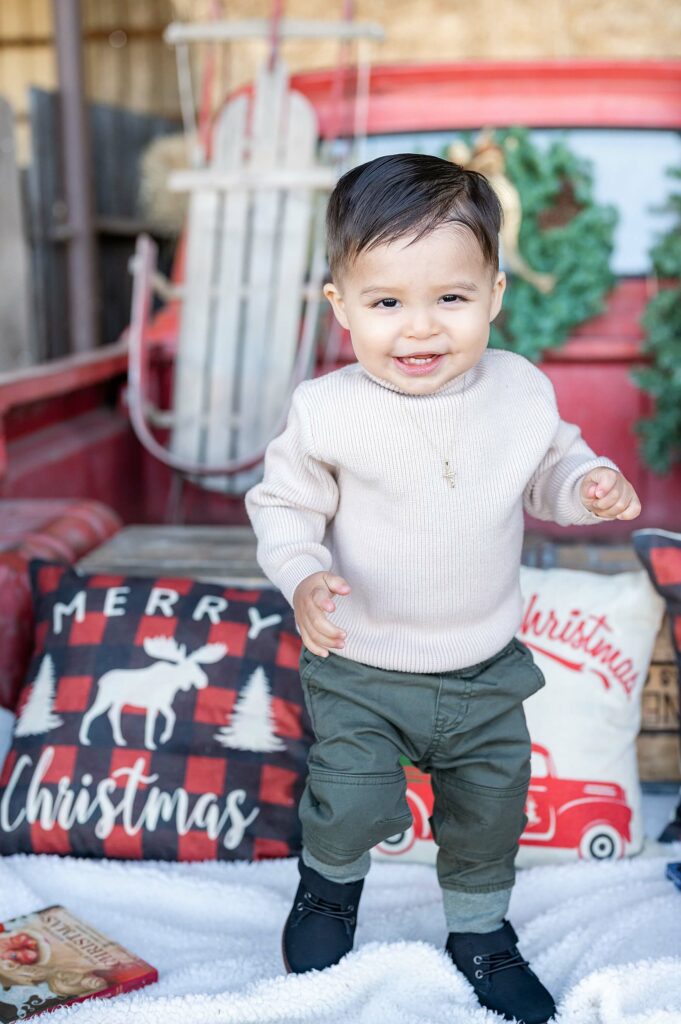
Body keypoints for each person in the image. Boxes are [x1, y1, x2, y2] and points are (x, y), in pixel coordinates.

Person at [245, 153, 641, 1024]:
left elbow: (550, 469)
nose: (418, 329)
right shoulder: (327, 409)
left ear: (494, 294)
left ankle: (478, 929)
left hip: (482, 667)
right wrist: (306, 575)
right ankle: (327, 888)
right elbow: (282, 508)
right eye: (386, 302)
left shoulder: (520, 391)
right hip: (361, 662)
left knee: (489, 811)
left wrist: (585, 486)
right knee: (351, 800)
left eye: (450, 299)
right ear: (340, 304)